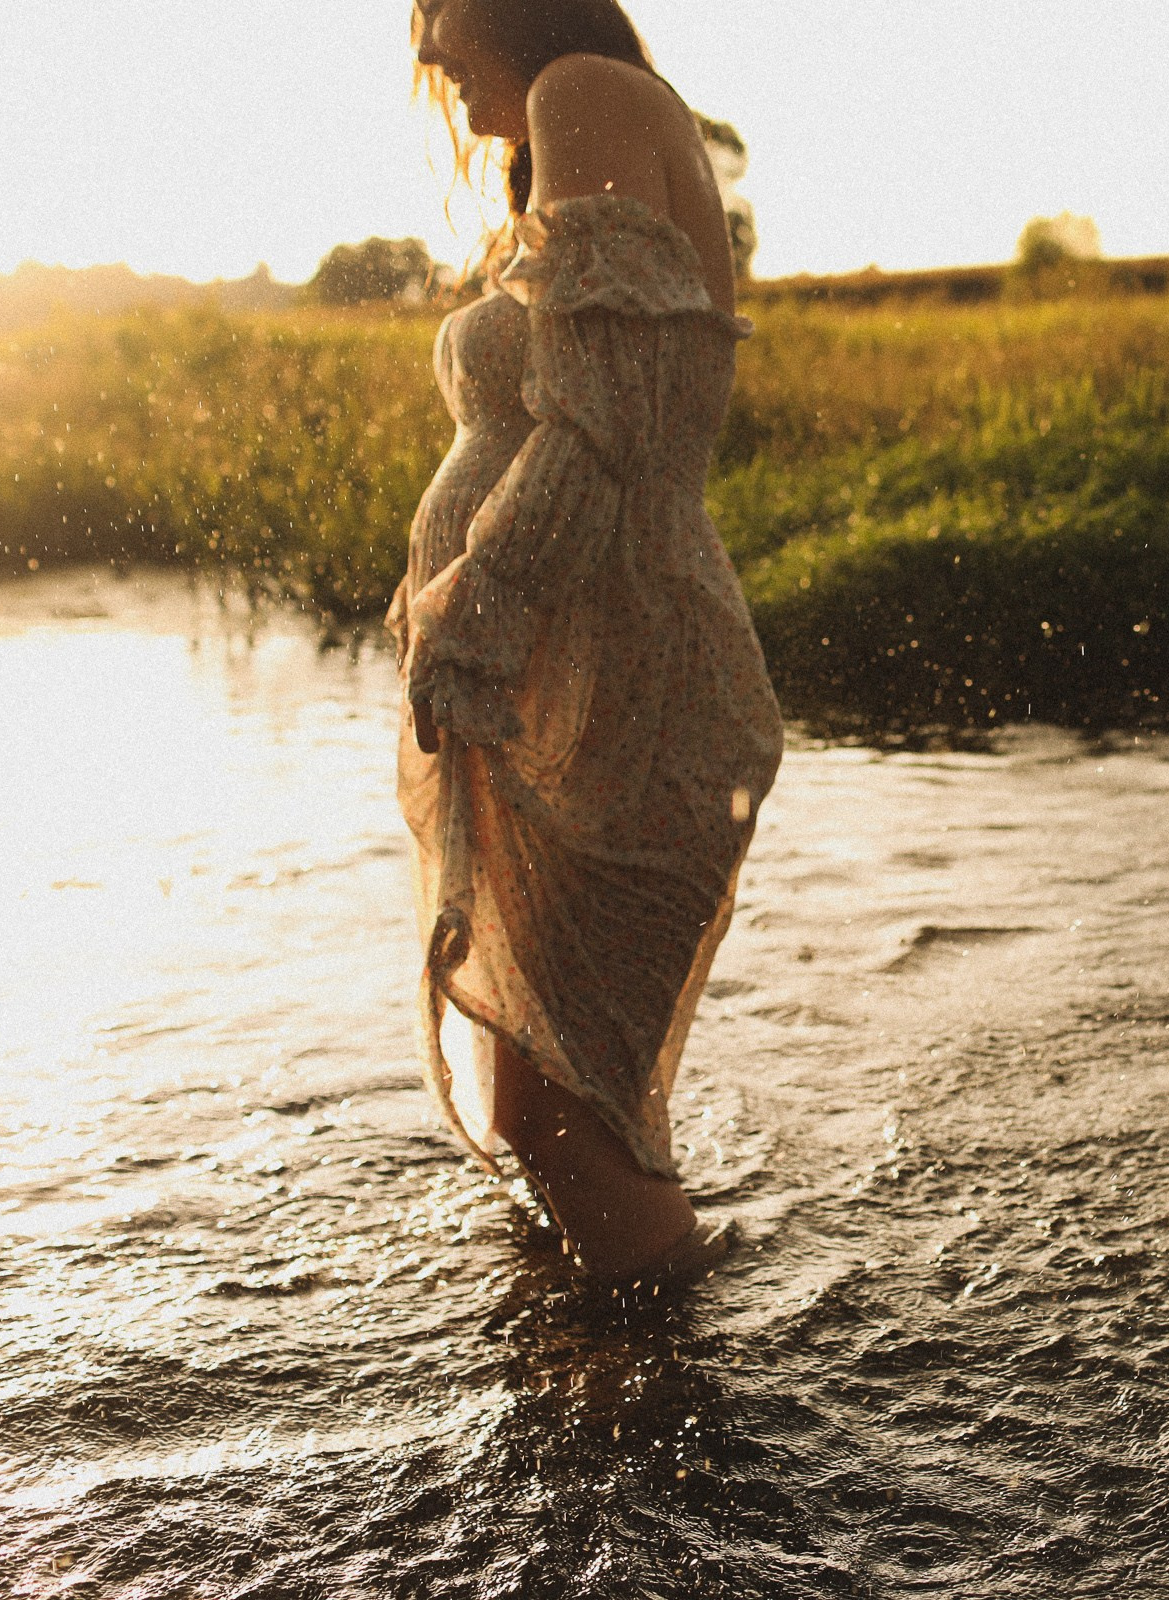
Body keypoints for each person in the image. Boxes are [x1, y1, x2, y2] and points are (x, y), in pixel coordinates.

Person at [388, 0, 783, 1280]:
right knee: (555, 1114)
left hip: (630, 695)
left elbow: (596, 421)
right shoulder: (574, 119)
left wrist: (472, 623)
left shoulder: (585, 92)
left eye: (436, 16)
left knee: (562, 1117)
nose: (430, 53)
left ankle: (677, 1432)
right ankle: (605, 1408)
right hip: (572, 704)